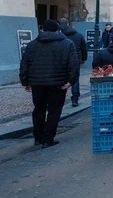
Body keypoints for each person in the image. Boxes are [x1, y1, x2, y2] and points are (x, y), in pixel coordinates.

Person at [19, 20, 79, 148]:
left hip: (37, 84)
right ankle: (48, 139)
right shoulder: (67, 44)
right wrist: (71, 81)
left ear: (43, 30)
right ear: (58, 30)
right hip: (58, 83)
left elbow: (24, 64)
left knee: (39, 110)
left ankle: (38, 137)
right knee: (54, 110)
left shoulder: (32, 45)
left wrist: (25, 82)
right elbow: (73, 65)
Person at [59, 18, 87, 107]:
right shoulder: (78, 35)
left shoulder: (58, 35)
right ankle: (75, 99)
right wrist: (83, 59)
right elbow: (83, 48)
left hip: (61, 60)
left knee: (61, 79)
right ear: (68, 24)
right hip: (75, 60)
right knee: (75, 79)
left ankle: (59, 100)